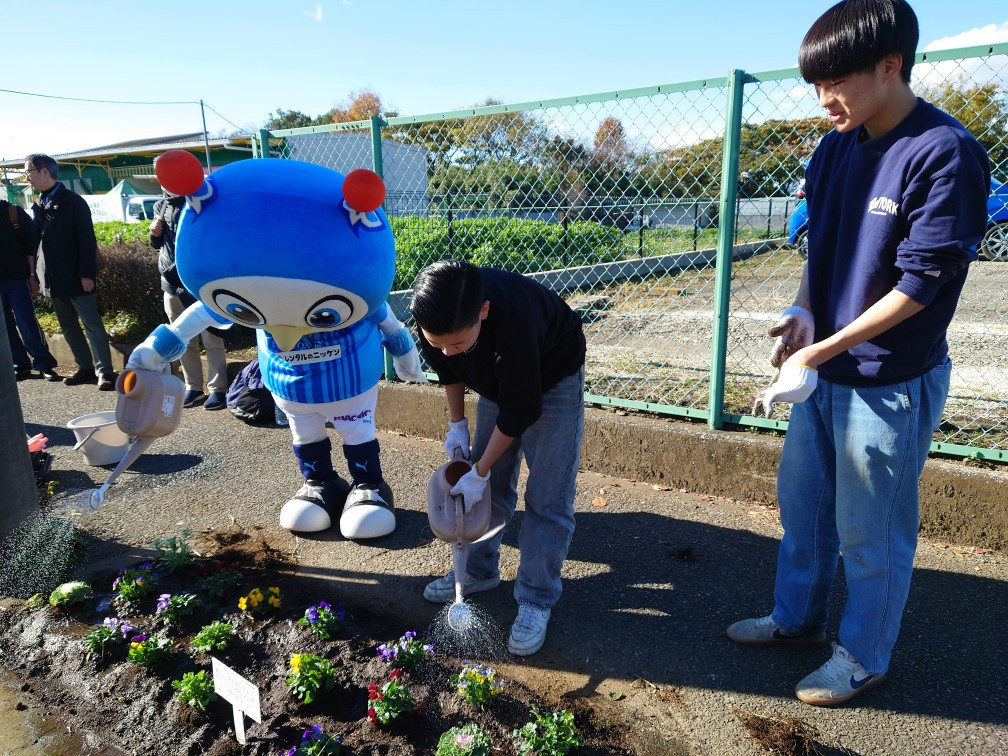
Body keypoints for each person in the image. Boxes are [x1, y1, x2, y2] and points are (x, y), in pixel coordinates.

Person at [728, 0, 990, 706]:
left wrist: (822, 351)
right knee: (804, 507)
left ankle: (864, 655)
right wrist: (804, 313)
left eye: (834, 82)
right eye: (815, 85)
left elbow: (919, 288)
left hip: (889, 380)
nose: (823, 101)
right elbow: (823, 244)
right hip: (826, 367)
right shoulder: (836, 145)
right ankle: (796, 620)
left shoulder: (944, 152)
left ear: (890, 65)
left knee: (872, 533)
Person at [411, 260, 586, 656]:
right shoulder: (436, 316)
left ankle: (537, 598)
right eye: (437, 342)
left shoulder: (513, 322)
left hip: (553, 370)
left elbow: (520, 411)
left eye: (458, 342)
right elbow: (448, 369)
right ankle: (478, 570)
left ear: (483, 312)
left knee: (548, 495)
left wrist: (480, 469)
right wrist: (458, 425)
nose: (447, 350)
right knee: (488, 490)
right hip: (496, 377)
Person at [25, 154, 117, 390]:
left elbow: (87, 240)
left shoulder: (73, 202)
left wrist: (87, 274)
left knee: (92, 324)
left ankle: (105, 371)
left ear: (45, 171)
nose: (27, 177)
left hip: (77, 275)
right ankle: (84, 367)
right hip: (53, 278)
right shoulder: (40, 203)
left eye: (30, 171)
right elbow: (35, 243)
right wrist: (34, 274)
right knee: (68, 325)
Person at [149, 190, 228, 410]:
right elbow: (159, 245)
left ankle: (218, 388)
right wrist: (154, 235)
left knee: (213, 337)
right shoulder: (160, 205)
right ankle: (193, 387)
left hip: (201, 282)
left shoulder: (200, 202)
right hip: (171, 283)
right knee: (180, 338)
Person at [1, 197, 58, 381]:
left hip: (17, 278)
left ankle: (44, 364)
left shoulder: (12, 212)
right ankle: (20, 364)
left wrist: (32, 275)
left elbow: (30, 246)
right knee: (5, 327)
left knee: (27, 322)